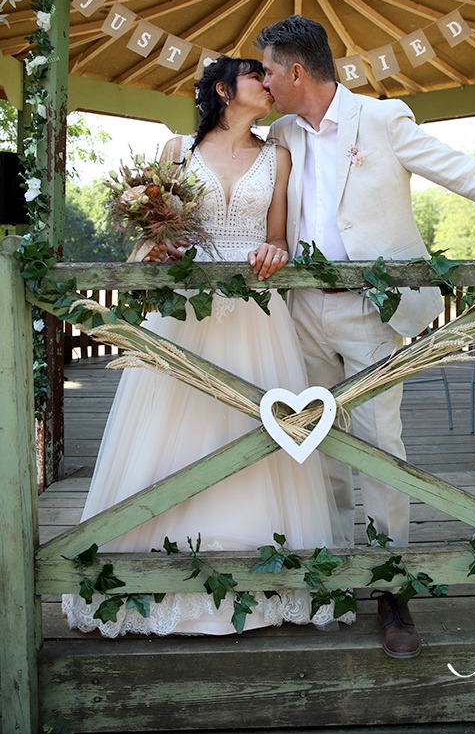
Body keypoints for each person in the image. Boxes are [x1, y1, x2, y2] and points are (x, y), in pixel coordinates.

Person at [255, 14, 475, 659]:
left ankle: (391, 587)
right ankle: (335, 572)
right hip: (299, 310)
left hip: (372, 311)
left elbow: (465, 174)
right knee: (313, 442)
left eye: (270, 71)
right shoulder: (279, 133)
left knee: (379, 444)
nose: (264, 82)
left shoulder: (382, 120)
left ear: (296, 71)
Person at [62, 55, 351, 637]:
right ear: (223, 90)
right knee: (175, 426)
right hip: (186, 312)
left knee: (253, 429)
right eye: (255, 77)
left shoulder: (278, 156)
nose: (267, 85)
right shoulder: (176, 151)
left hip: (255, 316)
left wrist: (274, 252)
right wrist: (159, 247)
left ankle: (260, 569)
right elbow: (153, 235)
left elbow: (277, 239)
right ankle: (153, 568)